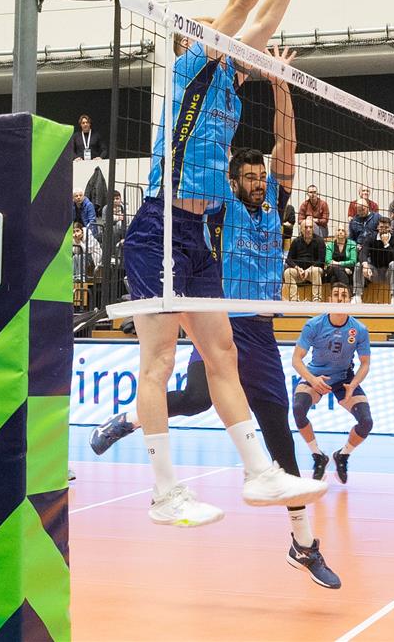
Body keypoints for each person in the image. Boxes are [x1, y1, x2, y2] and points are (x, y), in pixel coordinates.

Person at [119, 0, 324, 525]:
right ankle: (164, 491)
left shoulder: (231, 85)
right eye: (220, 35)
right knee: (158, 360)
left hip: (197, 236)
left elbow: (264, 20)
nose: (234, 38)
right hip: (157, 227)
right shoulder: (189, 70)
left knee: (223, 354)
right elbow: (242, 6)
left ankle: (259, 472)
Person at [93, 63, 337, 582]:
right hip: (221, 317)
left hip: (258, 332)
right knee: (191, 396)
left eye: (260, 177)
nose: (257, 182)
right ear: (231, 181)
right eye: (248, 177)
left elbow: (286, 146)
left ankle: (303, 544)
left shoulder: (274, 204)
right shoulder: (218, 209)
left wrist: (281, 85)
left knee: (275, 432)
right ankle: (132, 420)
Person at [291, 283, 374, 486]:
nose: (339, 298)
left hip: (344, 378)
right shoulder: (314, 324)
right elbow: (296, 360)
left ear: (349, 300)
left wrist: (353, 385)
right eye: (336, 294)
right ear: (329, 299)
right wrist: (312, 380)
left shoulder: (359, 329)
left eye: (344, 295)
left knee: (366, 422)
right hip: (316, 375)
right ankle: (318, 456)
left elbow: (365, 364)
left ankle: (342, 455)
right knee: (298, 409)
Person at [353, 216, 394, 305]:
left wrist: (386, 243)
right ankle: (357, 296)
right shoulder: (371, 237)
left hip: (391, 274)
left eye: (386, 227)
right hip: (375, 272)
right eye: (381, 227)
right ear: (377, 227)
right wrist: (365, 265)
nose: (383, 230)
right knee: (359, 265)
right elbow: (363, 252)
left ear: (390, 228)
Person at [284, 218, 326, 302]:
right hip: (300, 272)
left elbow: (321, 260)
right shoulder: (296, 241)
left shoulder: (320, 241)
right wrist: (297, 268)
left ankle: (316, 299)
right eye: (306, 227)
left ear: (313, 229)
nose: (308, 229)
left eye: (310, 227)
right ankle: (294, 299)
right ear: (301, 229)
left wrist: (309, 270)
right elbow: (289, 259)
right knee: (287, 272)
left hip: (313, 272)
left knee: (316, 270)